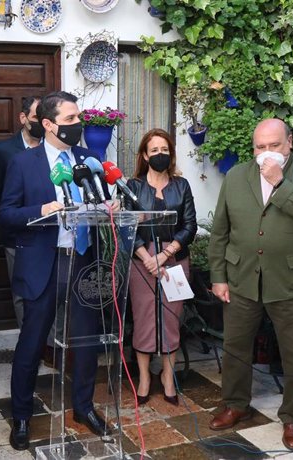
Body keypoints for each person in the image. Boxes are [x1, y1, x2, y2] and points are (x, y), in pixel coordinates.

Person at [208, 118, 293, 451]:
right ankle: (235, 404)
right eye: (260, 147)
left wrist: (280, 183)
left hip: (292, 281)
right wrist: (218, 276)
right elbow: (220, 231)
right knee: (235, 347)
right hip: (242, 278)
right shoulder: (235, 176)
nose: (266, 153)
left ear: (290, 142)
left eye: (274, 145)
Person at [0, 91, 110, 450]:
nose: (78, 125)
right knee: (32, 344)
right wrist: (43, 208)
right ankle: (21, 416)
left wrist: (110, 206)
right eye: (70, 120)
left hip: (82, 262)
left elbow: (99, 202)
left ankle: (83, 407)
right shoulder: (23, 163)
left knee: (87, 341)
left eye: (79, 118)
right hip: (43, 264)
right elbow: (7, 215)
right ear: (47, 125)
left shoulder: (89, 159)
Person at [124, 128, 197, 406]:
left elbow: (189, 225)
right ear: (145, 154)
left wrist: (165, 254)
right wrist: (147, 258)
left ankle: (168, 375)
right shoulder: (133, 186)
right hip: (142, 260)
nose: (159, 155)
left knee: (170, 320)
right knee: (143, 319)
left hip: (175, 259)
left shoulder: (182, 185)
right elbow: (128, 227)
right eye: (154, 150)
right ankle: (143, 377)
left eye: (164, 150)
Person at [0, 96, 43, 328]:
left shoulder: (55, 149)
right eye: (36, 118)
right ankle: (29, 346)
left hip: (50, 235)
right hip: (17, 237)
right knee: (22, 294)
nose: (42, 123)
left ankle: (50, 348)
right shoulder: (5, 151)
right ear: (23, 118)